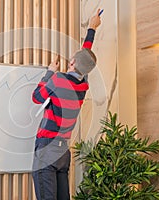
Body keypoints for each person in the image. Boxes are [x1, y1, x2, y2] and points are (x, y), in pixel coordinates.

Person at [31, 9, 102, 200]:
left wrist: (49, 71)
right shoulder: (83, 86)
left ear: (71, 63)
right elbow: (85, 58)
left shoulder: (58, 79)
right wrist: (91, 29)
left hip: (47, 149)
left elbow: (36, 97)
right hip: (63, 152)